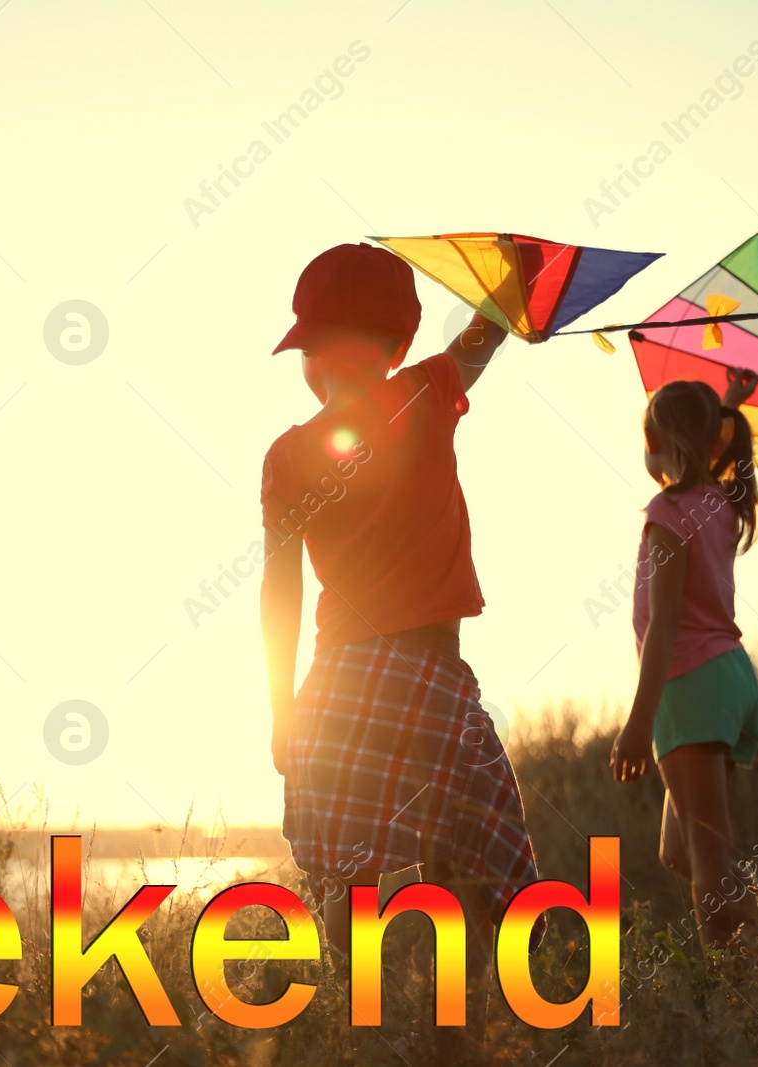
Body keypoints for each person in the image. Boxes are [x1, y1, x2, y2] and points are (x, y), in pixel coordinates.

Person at [260, 242, 534, 1033]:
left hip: (342, 683)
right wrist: (514, 282)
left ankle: (364, 1022)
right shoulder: (423, 392)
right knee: (470, 865)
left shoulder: (288, 455)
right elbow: (483, 340)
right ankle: (467, 1022)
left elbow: (279, 592)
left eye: (314, 346)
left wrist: (281, 705)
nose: (315, 363)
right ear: (398, 343)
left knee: (352, 876)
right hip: (432, 675)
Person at [609, 367, 758, 945]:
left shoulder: (668, 513)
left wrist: (637, 725)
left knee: (707, 858)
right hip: (729, 680)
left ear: (658, 448)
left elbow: (665, 627)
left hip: (690, 685)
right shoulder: (719, 500)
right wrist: (726, 405)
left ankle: (739, 992)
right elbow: (709, 452)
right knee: (682, 850)